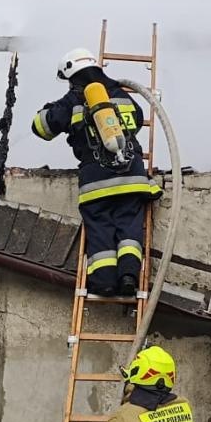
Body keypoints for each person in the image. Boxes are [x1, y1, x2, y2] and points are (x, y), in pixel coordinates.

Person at [30, 48, 161, 297]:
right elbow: (138, 119)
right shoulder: (120, 94)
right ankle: (129, 276)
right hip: (131, 176)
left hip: (96, 181)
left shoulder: (72, 100)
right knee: (129, 228)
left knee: (100, 229)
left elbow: (41, 128)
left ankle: (104, 282)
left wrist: (51, 108)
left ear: (71, 74)